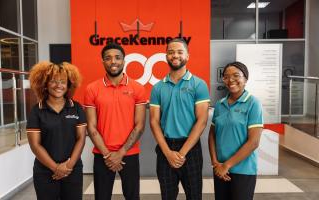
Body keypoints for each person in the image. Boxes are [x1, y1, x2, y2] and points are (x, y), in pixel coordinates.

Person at [84, 43, 147, 200]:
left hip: (129, 153)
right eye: (108, 58)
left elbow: (139, 126)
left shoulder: (137, 88)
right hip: (102, 154)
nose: (113, 61)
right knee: (102, 197)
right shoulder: (92, 89)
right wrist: (108, 154)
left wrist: (121, 153)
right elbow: (91, 128)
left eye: (118, 58)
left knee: (132, 197)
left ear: (124, 61)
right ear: (103, 61)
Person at [149, 38, 210, 200]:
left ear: (187, 56)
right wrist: (168, 153)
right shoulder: (157, 88)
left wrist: (181, 153)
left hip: (191, 148)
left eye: (179, 52)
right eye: (171, 52)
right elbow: (154, 121)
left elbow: (202, 120)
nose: (175, 55)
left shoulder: (199, 84)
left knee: (194, 196)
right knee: (167, 196)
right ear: (166, 56)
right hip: (165, 147)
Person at [26, 61, 87, 200]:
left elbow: (81, 139)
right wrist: (55, 168)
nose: (58, 85)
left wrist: (68, 166)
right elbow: (35, 145)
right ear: (45, 85)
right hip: (45, 171)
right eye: (53, 81)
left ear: (68, 85)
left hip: (72, 169)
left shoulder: (76, 107)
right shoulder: (37, 111)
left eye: (63, 81)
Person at [208, 61, 264, 200]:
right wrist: (216, 163)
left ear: (245, 79)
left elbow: (253, 142)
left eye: (236, 75)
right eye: (226, 76)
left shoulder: (253, 103)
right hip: (220, 169)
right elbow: (212, 135)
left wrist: (227, 165)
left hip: (243, 171)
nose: (230, 80)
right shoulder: (220, 104)